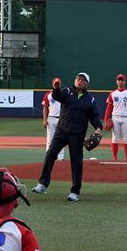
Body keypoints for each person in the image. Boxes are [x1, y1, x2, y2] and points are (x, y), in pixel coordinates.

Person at [33, 72, 103, 202]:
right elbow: (56, 96)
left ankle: (75, 191)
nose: (79, 81)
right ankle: (42, 184)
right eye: (78, 78)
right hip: (62, 131)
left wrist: (98, 128)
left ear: (87, 84)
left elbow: (94, 116)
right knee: (51, 153)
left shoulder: (90, 99)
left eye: (82, 80)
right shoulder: (67, 92)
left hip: (77, 134)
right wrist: (56, 88)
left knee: (76, 162)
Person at [104, 74, 127, 161]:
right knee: (115, 138)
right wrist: (106, 119)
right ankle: (115, 157)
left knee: (126, 138)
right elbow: (109, 107)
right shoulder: (112, 94)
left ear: (125, 82)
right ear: (116, 81)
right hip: (115, 118)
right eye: (119, 80)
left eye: (122, 80)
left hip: (125, 118)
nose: (120, 81)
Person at [42, 79, 65, 161]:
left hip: (62, 119)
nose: (57, 85)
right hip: (51, 118)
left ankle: (60, 157)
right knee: (50, 139)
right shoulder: (48, 94)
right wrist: (44, 120)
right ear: (53, 84)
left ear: (60, 84)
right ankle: (48, 156)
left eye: (58, 84)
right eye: (55, 84)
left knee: (62, 139)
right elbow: (45, 108)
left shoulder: (63, 94)